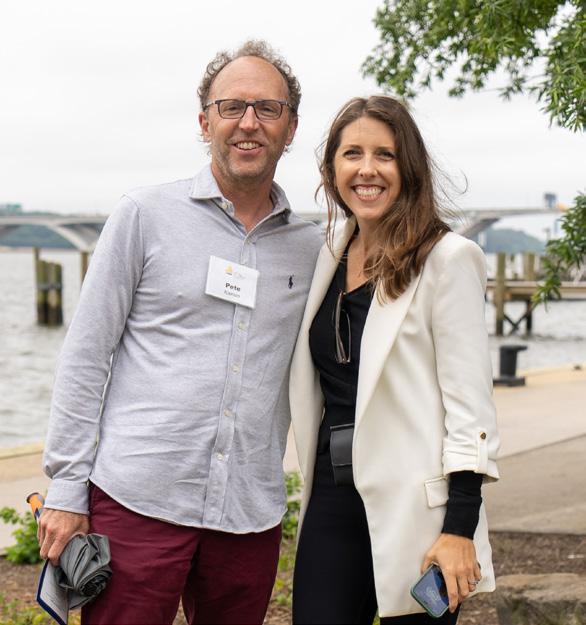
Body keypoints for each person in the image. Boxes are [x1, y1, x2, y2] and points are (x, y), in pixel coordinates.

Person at [38, 40, 322, 625]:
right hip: (137, 498)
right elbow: (87, 356)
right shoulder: (143, 216)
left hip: (248, 514)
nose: (249, 123)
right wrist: (66, 489)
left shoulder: (312, 248)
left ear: (291, 127)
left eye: (268, 109)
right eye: (231, 107)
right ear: (204, 121)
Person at [289, 96, 500, 624]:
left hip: (418, 514)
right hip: (332, 499)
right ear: (330, 169)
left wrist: (459, 528)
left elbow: (470, 408)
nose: (367, 169)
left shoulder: (447, 259)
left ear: (408, 167)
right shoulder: (329, 252)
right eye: (352, 154)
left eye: (384, 154)